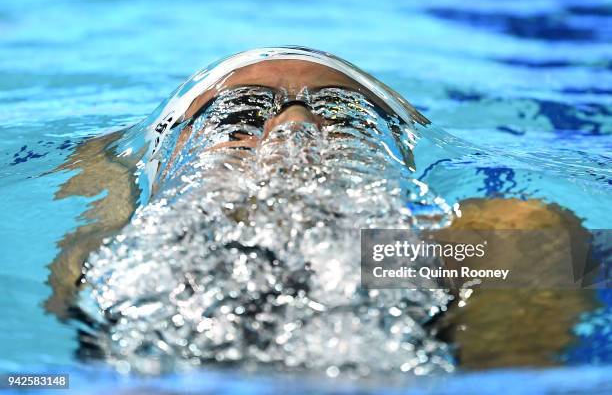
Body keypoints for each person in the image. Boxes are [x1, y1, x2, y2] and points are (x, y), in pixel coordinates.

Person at [46, 47, 598, 374]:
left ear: (402, 158)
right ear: (167, 165)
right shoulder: (138, 251)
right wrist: (129, 178)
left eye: (347, 115)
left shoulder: (434, 251)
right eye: (238, 114)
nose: (295, 129)